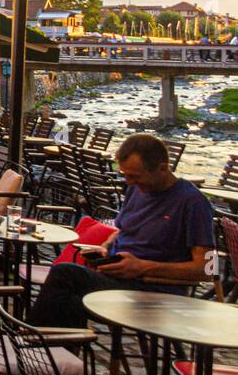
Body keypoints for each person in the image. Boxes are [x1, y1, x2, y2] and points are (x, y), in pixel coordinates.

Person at [27, 133, 215, 328]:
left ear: (162, 168)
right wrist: (106, 247)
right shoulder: (137, 189)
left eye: (135, 176)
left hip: (151, 289)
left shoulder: (192, 202)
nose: (128, 182)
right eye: (125, 175)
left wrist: (142, 266)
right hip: (117, 278)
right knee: (67, 303)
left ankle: (32, 342)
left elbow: (208, 269)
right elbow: (124, 230)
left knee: (65, 275)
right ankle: (53, 349)